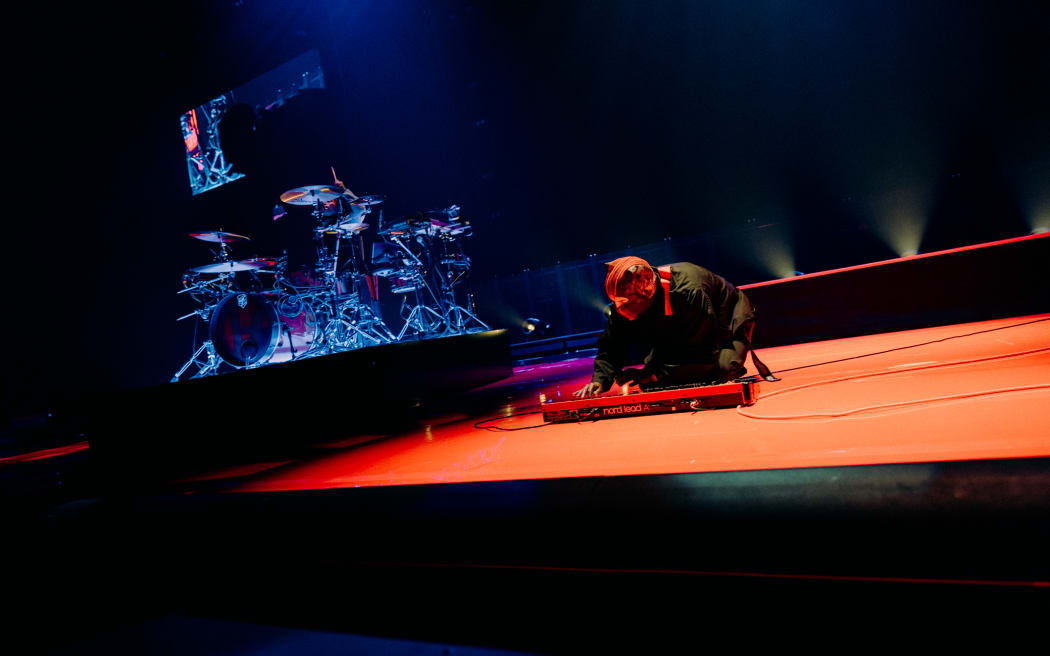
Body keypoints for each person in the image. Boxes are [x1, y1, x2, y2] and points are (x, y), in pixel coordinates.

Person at [574, 256, 762, 398]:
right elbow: (612, 345)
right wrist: (600, 379)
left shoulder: (688, 292)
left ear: (647, 295)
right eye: (621, 305)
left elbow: (704, 352)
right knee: (654, 382)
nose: (625, 312)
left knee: (720, 371)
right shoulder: (626, 300)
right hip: (680, 330)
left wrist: (657, 375)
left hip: (724, 321)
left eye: (630, 307)